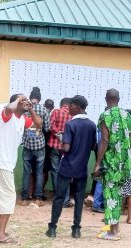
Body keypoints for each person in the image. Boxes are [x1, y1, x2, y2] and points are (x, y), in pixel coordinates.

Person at [0, 94, 42, 243]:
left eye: (27, 101)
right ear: (14, 102)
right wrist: (18, 100)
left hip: (5, 164)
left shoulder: (22, 119)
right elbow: (10, 108)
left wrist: (31, 110)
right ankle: (0, 235)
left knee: (5, 199)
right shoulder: (4, 110)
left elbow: (38, 125)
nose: (26, 102)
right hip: (0, 163)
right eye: (22, 100)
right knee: (9, 198)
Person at [46, 95, 96, 238]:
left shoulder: (70, 124)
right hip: (81, 167)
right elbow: (93, 146)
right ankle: (76, 229)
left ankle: (52, 228)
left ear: (77, 107)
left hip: (67, 166)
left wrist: (62, 142)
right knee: (79, 198)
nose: (69, 108)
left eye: (71, 105)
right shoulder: (92, 125)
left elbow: (66, 148)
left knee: (59, 197)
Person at [94, 89, 131, 241]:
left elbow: (104, 140)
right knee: (117, 194)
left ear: (106, 99)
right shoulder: (127, 115)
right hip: (124, 162)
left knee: (110, 195)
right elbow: (130, 138)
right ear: (119, 98)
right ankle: (115, 228)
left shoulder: (105, 115)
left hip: (111, 163)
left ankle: (113, 232)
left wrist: (97, 163)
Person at [21, 87, 50, 207]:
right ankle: (38, 198)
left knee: (27, 172)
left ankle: (24, 199)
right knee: (39, 172)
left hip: (27, 144)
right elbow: (47, 128)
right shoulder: (43, 110)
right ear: (39, 98)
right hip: (40, 146)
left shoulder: (24, 109)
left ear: (30, 97)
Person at [48, 97, 72, 207]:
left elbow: (51, 126)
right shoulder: (73, 115)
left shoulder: (56, 112)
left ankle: (58, 197)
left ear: (61, 104)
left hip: (54, 145)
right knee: (65, 173)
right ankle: (65, 200)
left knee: (55, 171)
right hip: (67, 148)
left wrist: (59, 135)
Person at [43, 99, 55, 196]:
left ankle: (36, 193)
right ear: (53, 107)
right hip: (48, 149)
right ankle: (40, 192)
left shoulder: (40, 115)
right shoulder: (50, 119)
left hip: (39, 147)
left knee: (37, 171)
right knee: (45, 172)